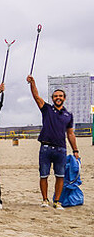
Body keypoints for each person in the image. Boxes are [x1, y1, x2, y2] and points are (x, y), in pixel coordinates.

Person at [27, 75, 80, 209]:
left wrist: (75, 150)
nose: (58, 98)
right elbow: (36, 97)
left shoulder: (68, 115)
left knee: (60, 176)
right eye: (55, 96)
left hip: (61, 149)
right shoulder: (47, 109)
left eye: (60, 96)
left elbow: (70, 134)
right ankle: (45, 200)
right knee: (44, 175)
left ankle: (57, 201)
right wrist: (33, 83)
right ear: (52, 98)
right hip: (45, 148)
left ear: (64, 98)